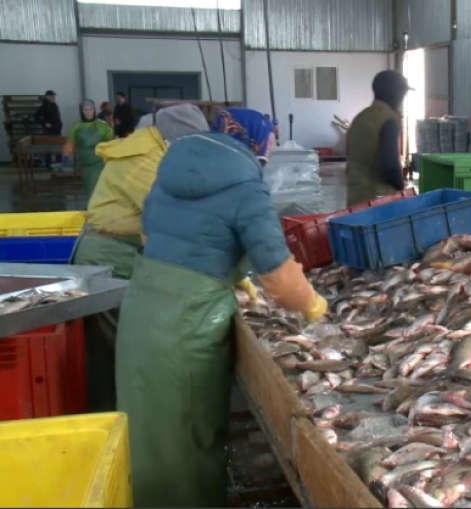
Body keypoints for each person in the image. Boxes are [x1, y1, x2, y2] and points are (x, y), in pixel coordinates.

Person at [115, 107, 327, 508]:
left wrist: (230, 273)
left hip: (142, 308)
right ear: (255, 142)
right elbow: (281, 281)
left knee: (149, 432)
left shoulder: (170, 170)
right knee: (189, 436)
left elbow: (152, 235)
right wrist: (314, 305)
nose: (272, 147)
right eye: (270, 139)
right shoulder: (247, 187)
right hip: (187, 324)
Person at [70, 104, 211, 413]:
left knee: (129, 348)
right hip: (106, 264)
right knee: (120, 351)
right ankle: (121, 430)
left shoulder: (157, 156)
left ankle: (132, 420)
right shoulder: (142, 162)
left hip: (124, 257)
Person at [345, 70, 411, 207]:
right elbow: (390, 166)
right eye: (403, 94)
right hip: (379, 203)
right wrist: (401, 187)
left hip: (355, 200)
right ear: (396, 93)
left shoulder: (360, 118)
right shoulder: (389, 120)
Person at [61, 99, 115, 198]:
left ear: (94, 110)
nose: (88, 112)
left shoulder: (102, 126)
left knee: (98, 189)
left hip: (100, 163)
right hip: (85, 165)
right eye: (86, 109)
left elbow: (111, 142)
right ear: (82, 111)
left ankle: (97, 209)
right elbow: (69, 144)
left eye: (90, 109)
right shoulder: (76, 128)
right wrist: (65, 157)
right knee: (90, 188)